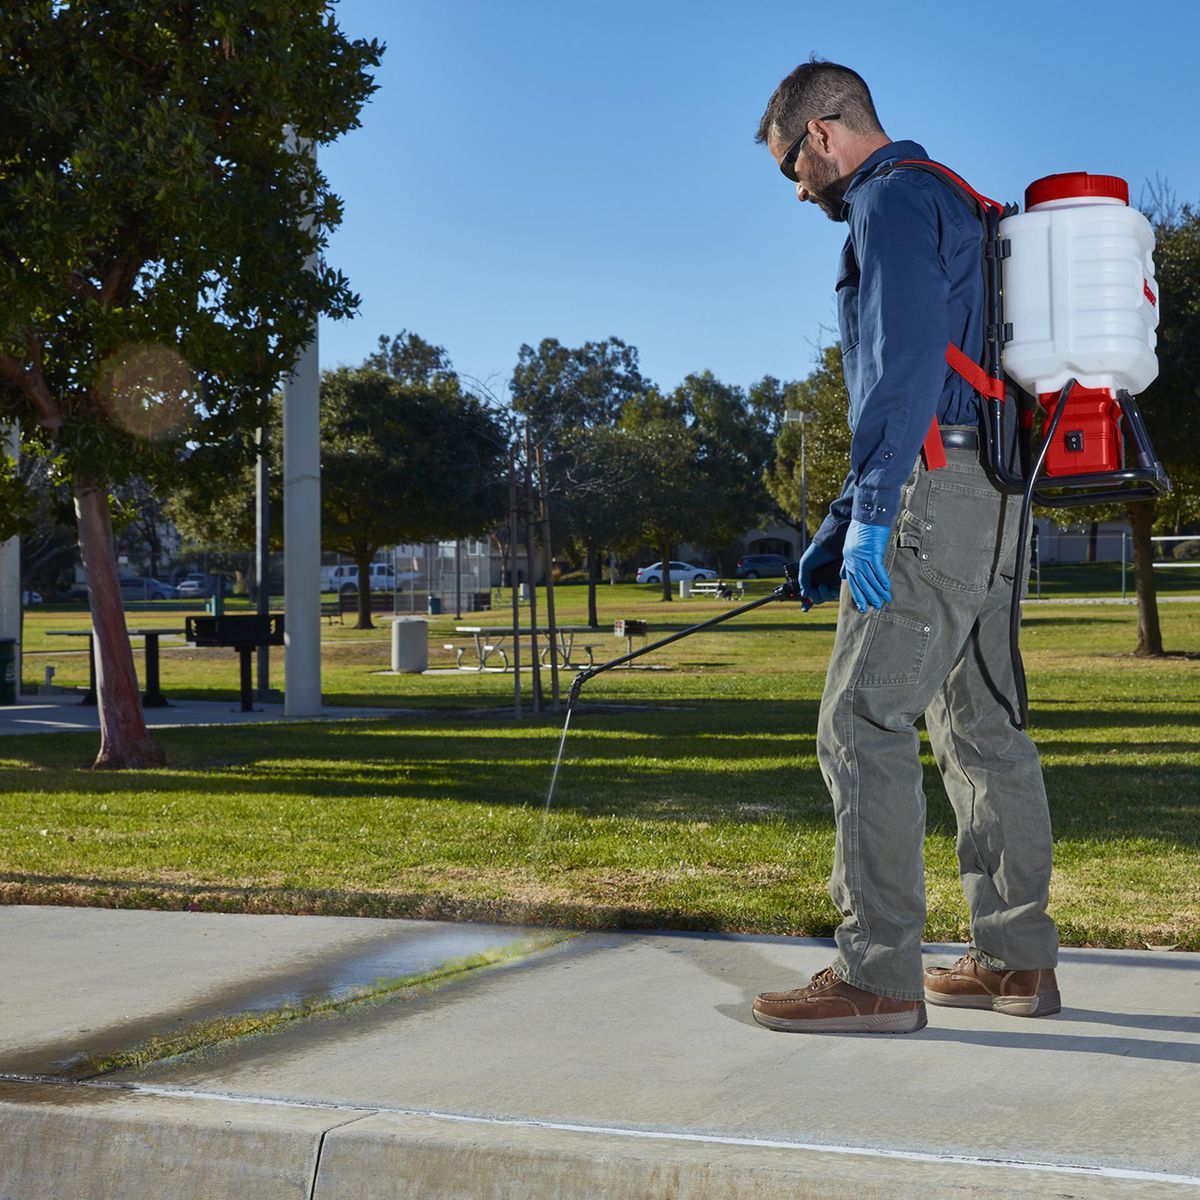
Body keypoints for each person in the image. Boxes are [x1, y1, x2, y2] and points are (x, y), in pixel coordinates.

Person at [750, 60, 1060, 1035]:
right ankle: (1015, 962)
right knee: (982, 727)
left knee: (860, 723)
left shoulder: (887, 201)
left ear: (826, 131)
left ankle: (876, 974)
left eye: (792, 165)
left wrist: (875, 512)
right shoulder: (959, 204)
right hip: (998, 491)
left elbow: (907, 363)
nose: (799, 189)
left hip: (931, 491)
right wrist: (841, 525)